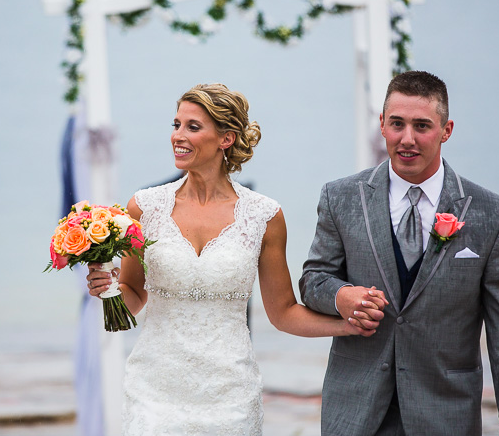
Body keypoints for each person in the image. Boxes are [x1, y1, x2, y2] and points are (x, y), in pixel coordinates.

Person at [86, 83, 386, 435]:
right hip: (154, 389)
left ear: (225, 139)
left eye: (192, 127)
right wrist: (108, 290)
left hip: (229, 394)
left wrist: (346, 325)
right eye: (176, 124)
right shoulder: (144, 208)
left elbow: (283, 312)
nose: (177, 136)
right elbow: (133, 296)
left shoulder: (263, 216)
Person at [300, 71, 499, 436]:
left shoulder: (493, 214)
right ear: (381, 124)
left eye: (422, 126)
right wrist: (341, 296)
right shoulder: (340, 198)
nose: (406, 139)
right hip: (355, 411)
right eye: (397, 124)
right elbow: (313, 280)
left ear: (446, 129)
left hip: (445, 412)